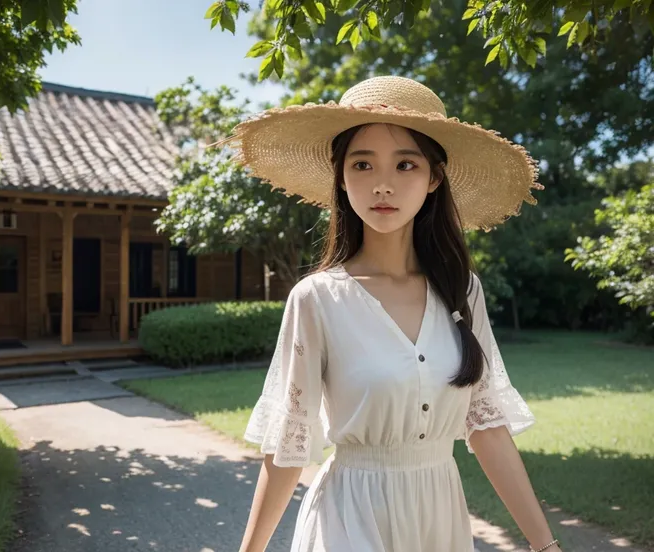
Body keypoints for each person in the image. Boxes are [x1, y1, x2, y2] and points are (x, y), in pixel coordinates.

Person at [223, 76, 560, 552]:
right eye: (362, 164)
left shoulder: (463, 292)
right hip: (349, 517)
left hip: (439, 521)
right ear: (340, 176)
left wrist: (544, 544)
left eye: (406, 164)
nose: (383, 183)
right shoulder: (316, 299)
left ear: (433, 177)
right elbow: (289, 444)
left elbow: (486, 427)